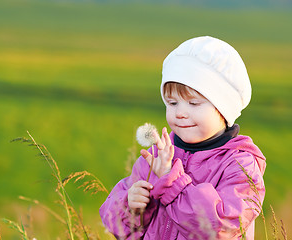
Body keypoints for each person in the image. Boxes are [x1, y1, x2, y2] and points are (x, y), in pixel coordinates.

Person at [99, 36, 266, 239]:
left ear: (224, 108)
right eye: (172, 103)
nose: (180, 113)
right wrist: (130, 206)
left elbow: (220, 228)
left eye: (194, 104)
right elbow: (114, 224)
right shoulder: (157, 156)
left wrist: (172, 183)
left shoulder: (240, 165)